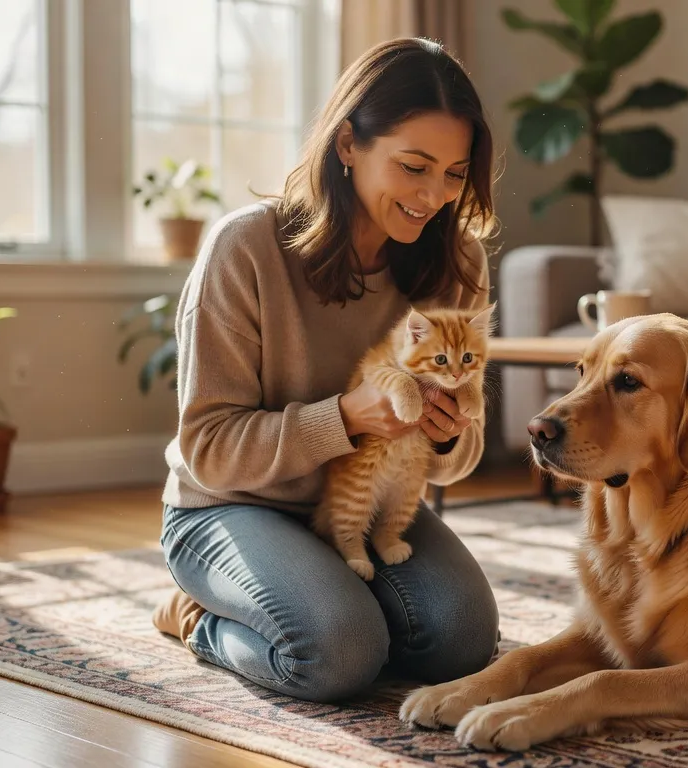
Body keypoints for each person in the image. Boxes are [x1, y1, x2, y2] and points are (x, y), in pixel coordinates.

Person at [150, 37, 501, 703]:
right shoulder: (246, 248)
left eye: (455, 174)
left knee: (461, 643)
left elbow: (457, 458)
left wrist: (446, 433)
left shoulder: (456, 263)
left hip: (369, 506)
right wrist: (344, 418)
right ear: (348, 146)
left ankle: (331, 596)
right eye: (414, 166)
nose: (434, 196)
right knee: (338, 653)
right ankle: (196, 616)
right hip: (232, 507)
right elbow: (208, 451)